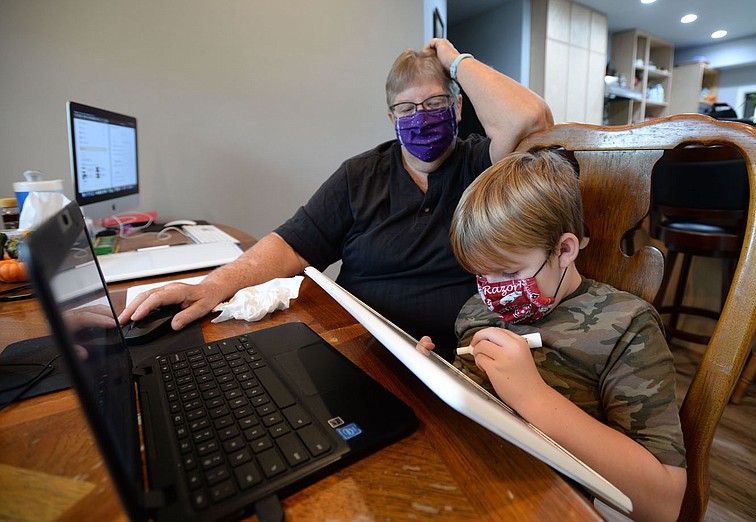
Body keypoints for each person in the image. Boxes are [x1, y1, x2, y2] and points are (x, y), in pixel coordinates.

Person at [120, 39, 552, 357]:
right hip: (356, 349)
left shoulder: (483, 164)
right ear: (390, 119)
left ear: (457, 108)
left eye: (436, 103)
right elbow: (292, 243)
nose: (421, 118)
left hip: (452, 358)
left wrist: (455, 60)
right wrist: (211, 286)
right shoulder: (359, 175)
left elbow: (528, 116)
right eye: (406, 109)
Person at [415, 151, 687, 521]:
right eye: (481, 275)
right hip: (459, 471)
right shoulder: (477, 310)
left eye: (508, 272)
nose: (492, 291)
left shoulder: (626, 325)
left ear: (564, 250)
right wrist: (433, 377)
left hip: (539, 501)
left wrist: (533, 397)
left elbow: (664, 503)